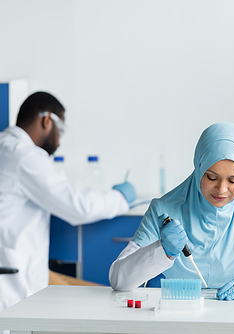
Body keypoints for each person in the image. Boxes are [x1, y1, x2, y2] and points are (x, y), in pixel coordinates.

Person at [109, 122, 234, 300]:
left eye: (233, 180)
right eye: (212, 178)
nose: (222, 190)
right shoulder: (164, 210)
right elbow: (118, 279)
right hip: (181, 318)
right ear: (198, 168)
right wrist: (163, 251)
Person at [0, 91, 137, 312]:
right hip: (9, 281)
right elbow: (78, 206)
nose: (60, 140)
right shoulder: (24, 156)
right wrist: (120, 197)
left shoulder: (6, 146)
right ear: (46, 120)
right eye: (60, 130)